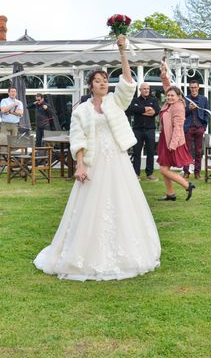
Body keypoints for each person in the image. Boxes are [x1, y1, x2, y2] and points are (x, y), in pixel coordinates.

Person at [34, 35, 160, 281]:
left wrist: (122, 52)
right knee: (89, 206)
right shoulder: (81, 110)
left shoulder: (116, 102)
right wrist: (80, 165)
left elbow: (128, 82)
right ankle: (83, 251)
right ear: (91, 86)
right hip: (94, 162)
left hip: (117, 160)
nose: (103, 83)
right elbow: (77, 139)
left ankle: (127, 250)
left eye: (105, 80)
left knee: (123, 202)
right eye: (98, 81)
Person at [157, 62, 195, 201]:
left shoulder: (178, 107)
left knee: (163, 169)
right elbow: (168, 86)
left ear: (179, 97)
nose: (170, 97)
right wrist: (163, 72)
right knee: (164, 168)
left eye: (173, 96)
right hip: (164, 139)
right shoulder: (169, 103)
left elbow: (178, 128)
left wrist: (172, 145)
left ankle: (187, 185)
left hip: (172, 141)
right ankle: (170, 194)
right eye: (169, 96)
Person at [126, 83, 161, 181]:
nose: (146, 90)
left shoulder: (153, 100)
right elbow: (132, 109)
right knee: (137, 152)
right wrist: (146, 109)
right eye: (144, 89)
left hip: (150, 130)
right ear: (140, 90)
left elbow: (156, 111)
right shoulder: (135, 100)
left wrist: (141, 111)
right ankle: (136, 174)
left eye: (147, 89)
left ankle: (149, 174)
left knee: (150, 152)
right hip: (138, 130)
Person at [182, 80, 209, 180]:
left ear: (198, 88)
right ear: (190, 88)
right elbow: (182, 113)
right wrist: (189, 108)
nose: (193, 89)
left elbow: (207, 114)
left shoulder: (204, 99)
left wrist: (204, 127)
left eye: (195, 87)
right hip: (188, 127)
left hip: (199, 128)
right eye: (191, 87)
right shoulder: (185, 99)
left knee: (198, 151)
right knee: (187, 150)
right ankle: (186, 172)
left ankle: (197, 173)